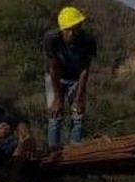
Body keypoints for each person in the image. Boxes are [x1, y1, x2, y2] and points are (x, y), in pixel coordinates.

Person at [43, 6, 97, 149]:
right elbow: (53, 68)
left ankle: (75, 150)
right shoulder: (51, 39)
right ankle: (53, 151)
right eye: (68, 29)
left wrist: (79, 98)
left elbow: (85, 69)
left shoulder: (88, 40)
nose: (72, 33)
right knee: (55, 115)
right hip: (55, 78)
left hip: (76, 78)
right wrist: (58, 98)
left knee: (78, 115)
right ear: (62, 29)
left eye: (76, 28)